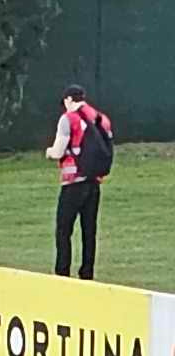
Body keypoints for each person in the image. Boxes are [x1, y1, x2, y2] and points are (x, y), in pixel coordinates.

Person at [47, 86, 112, 279]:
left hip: (73, 182)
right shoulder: (101, 119)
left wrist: (49, 152)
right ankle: (87, 273)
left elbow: (58, 151)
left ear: (68, 99)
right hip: (94, 182)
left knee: (63, 230)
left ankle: (62, 273)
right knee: (89, 230)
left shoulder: (68, 119)